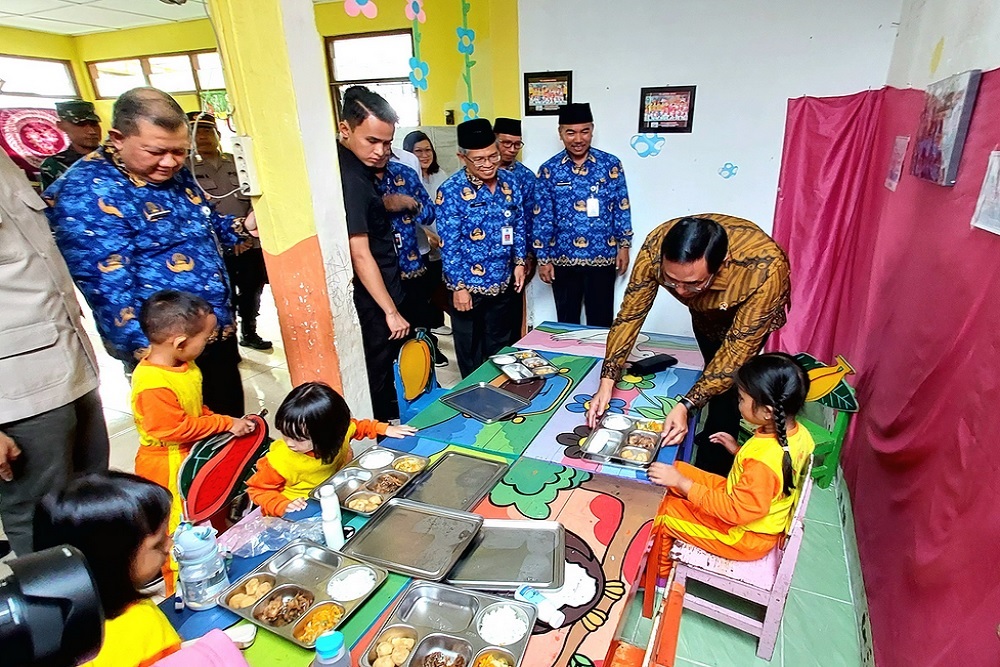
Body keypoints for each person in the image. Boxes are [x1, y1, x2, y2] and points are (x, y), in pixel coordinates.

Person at [44, 87, 253, 418]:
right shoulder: (85, 193)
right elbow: (107, 291)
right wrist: (153, 360)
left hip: (211, 332)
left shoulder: (173, 171)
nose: (170, 162)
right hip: (166, 353)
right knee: (187, 445)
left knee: (230, 430)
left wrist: (244, 226)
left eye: (180, 152)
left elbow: (205, 227)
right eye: (156, 151)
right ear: (117, 137)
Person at [587, 215, 791, 476]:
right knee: (710, 371)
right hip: (706, 318)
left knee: (732, 389)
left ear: (722, 263)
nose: (681, 292)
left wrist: (685, 405)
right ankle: (706, 431)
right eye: (672, 281)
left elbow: (735, 352)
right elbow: (630, 316)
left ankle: (714, 468)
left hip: (748, 322)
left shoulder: (765, 269)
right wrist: (607, 379)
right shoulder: (655, 247)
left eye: (694, 283)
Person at [0, 150, 110, 558]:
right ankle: (60, 606)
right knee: (36, 507)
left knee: (87, 489)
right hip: (16, 389)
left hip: (68, 360)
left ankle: (99, 582)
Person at [130, 290, 255, 590]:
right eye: (206, 338)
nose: (209, 343)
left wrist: (222, 426)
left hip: (192, 455)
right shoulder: (152, 383)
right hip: (167, 466)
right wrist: (224, 422)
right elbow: (175, 428)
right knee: (178, 534)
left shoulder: (184, 365)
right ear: (180, 343)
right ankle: (180, 591)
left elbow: (195, 409)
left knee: (206, 515)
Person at [646, 354, 814, 576]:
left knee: (665, 512)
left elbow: (736, 510)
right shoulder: (798, 434)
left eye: (742, 399)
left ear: (767, 412)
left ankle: (658, 574)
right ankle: (676, 504)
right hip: (742, 504)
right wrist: (738, 451)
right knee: (676, 468)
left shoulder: (762, 464)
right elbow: (776, 473)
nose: (739, 404)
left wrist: (682, 484)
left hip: (743, 534)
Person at [33, 471, 182, 667]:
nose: (169, 545)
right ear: (112, 560)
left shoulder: (43, 632)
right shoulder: (142, 626)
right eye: (158, 543)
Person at [338, 86, 409, 421]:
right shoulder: (349, 177)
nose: (382, 151)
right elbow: (360, 253)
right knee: (377, 372)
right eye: (372, 141)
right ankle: (381, 436)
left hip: (383, 287)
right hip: (374, 298)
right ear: (345, 129)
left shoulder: (358, 169)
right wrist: (390, 311)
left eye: (388, 143)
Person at [435, 118, 526, 377]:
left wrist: (519, 262)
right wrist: (458, 288)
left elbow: (519, 223)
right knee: (471, 351)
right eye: (479, 159)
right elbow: (449, 244)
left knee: (501, 347)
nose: (488, 164)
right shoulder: (450, 191)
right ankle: (475, 401)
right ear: (462, 157)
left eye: (493, 156)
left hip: (503, 282)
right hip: (469, 288)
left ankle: (502, 393)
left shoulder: (510, 183)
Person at [246, 382, 416, 517]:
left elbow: (357, 427)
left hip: (332, 493)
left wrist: (384, 429)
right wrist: (282, 505)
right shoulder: (280, 461)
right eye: (285, 434)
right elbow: (257, 489)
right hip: (299, 509)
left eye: (299, 438)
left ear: (329, 434)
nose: (290, 443)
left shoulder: (340, 433)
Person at [534, 102, 632, 327]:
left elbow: (621, 206)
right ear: (560, 133)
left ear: (592, 130)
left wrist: (624, 246)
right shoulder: (549, 170)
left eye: (584, 131)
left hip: (602, 256)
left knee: (601, 322)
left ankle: (600, 362)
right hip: (562, 258)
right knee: (567, 322)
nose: (578, 139)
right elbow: (542, 217)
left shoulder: (610, 165)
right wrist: (543, 259)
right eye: (571, 132)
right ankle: (570, 361)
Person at [189, 111, 272, 351]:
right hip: (215, 249)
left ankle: (249, 330)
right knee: (223, 295)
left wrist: (244, 232)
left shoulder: (236, 163)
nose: (203, 137)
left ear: (217, 134)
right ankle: (227, 339)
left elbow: (253, 199)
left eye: (207, 131)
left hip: (248, 241)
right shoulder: (187, 169)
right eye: (198, 132)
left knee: (252, 288)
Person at [374, 149, 447, 367]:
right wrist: (384, 204)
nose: (382, 150)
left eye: (388, 143)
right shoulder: (356, 177)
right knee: (385, 338)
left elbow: (429, 214)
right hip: (376, 274)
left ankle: (422, 380)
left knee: (417, 329)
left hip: (412, 266)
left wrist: (409, 204)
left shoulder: (404, 173)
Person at [403, 130, 450, 339]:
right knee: (423, 294)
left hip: (442, 242)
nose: (424, 155)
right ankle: (428, 340)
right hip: (420, 243)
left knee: (438, 287)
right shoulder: (406, 177)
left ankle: (436, 322)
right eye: (418, 151)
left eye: (427, 150)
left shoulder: (440, 175)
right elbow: (411, 213)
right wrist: (428, 233)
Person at [493, 117, 537, 343]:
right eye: (506, 143)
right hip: (484, 261)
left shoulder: (526, 177)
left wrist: (527, 255)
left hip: (516, 258)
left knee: (512, 316)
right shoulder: (476, 172)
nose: (511, 149)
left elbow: (529, 219)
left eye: (516, 144)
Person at [39, 100, 103, 190]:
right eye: (81, 125)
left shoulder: (117, 159)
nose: (91, 131)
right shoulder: (53, 165)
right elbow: (49, 200)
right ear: (61, 125)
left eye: (94, 124)